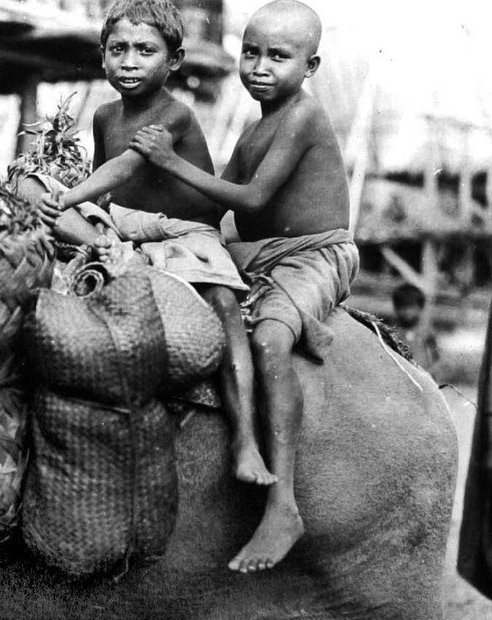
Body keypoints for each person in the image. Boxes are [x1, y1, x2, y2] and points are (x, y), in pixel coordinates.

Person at [130, 0, 358, 573]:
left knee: (269, 340)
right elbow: (213, 204)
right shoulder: (255, 128)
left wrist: (170, 162)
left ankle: (283, 506)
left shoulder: (304, 117)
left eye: (278, 57)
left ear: (309, 66)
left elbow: (252, 199)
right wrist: (145, 204)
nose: (259, 67)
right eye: (250, 53)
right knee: (197, 292)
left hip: (314, 253)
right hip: (259, 254)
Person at [30, 0, 273, 492]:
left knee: (224, 305)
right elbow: (105, 182)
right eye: (117, 49)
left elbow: (126, 166)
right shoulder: (104, 115)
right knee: (27, 186)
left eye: (145, 50)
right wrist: (71, 206)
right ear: (102, 55)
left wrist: (68, 199)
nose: (129, 62)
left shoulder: (174, 114)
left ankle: (245, 438)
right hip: (124, 229)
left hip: (184, 233)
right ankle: (103, 249)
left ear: (174, 60)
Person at [391, 282, 440, 370]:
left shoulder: (426, 332)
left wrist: (431, 373)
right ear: (396, 308)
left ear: (420, 308)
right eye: (403, 307)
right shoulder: (392, 332)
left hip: (422, 374)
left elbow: (435, 358)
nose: (407, 312)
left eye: (411, 307)